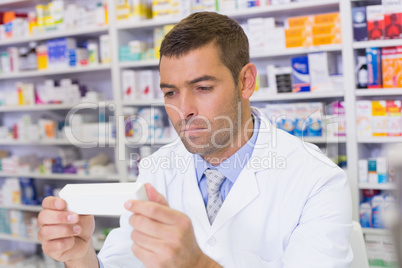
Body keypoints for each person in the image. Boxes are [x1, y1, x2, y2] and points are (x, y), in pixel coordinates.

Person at [37, 12, 353, 267]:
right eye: (170, 92)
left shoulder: (318, 179)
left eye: (202, 88)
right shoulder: (157, 167)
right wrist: (81, 257)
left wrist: (196, 264)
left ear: (245, 81)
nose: (183, 110)